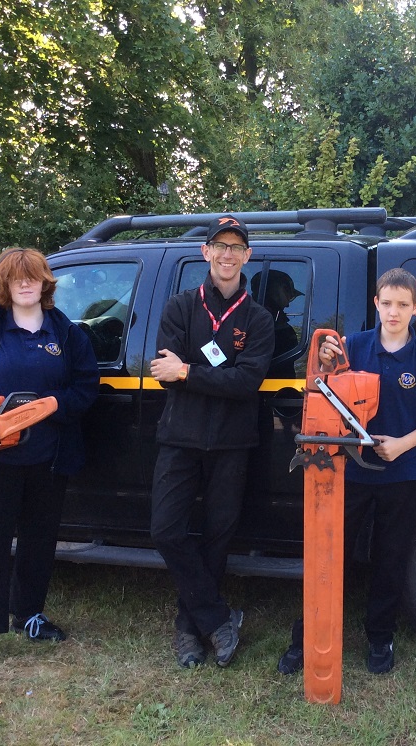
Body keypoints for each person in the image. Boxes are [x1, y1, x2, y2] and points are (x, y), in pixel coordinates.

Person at [278, 267, 416, 675]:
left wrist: (402, 445)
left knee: (389, 559)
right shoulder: (352, 345)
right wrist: (323, 361)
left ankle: (380, 637)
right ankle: (307, 637)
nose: (394, 312)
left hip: (400, 473)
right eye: (387, 303)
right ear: (376, 304)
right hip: (348, 473)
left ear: (415, 309)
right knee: (329, 557)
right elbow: (322, 387)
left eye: (402, 305)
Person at [0, 247, 99, 676]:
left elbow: (86, 387)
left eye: (33, 277)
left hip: (50, 457)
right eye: (16, 278)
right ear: (4, 285)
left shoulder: (66, 333)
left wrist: (52, 405)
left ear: (45, 283)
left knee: (39, 540)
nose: (25, 284)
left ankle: (30, 615)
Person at [149, 215, 275, 669]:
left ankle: (188, 629)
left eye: (235, 247)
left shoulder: (258, 319)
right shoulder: (180, 307)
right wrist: (188, 374)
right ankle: (218, 618)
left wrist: (188, 372)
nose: (226, 254)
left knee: (218, 536)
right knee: (165, 529)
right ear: (205, 252)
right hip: (179, 438)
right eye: (219, 245)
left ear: (247, 256)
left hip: (232, 443)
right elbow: (166, 373)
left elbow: (247, 382)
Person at [250, 269, 302, 379]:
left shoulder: (281, 325)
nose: (288, 304)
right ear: (272, 290)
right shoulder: (246, 320)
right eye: (288, 294)